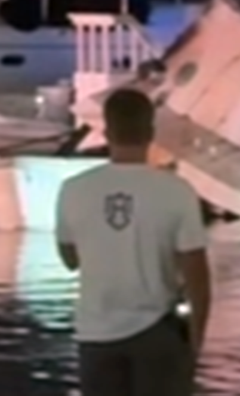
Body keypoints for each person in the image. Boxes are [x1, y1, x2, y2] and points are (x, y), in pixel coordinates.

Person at [55, 88, 212, 396]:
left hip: (96, 337)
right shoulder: (177, 191)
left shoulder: (73, 190)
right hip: (158, 334)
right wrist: (195, 346)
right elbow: (199, 281)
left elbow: (70, 259)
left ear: (107, 132)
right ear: (150, 133)